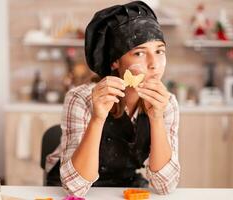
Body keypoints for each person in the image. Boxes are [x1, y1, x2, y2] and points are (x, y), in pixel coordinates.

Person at [46, 1, 180, 197]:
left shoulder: (166, 103)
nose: (154, 64)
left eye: (159, 51)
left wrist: (157, 118)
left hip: (124, 187)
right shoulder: (81, 98)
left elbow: (165, 187)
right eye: (140, 53)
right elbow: (75, 189)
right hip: (68, 189)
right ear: (115, 61)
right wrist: (97, 118)